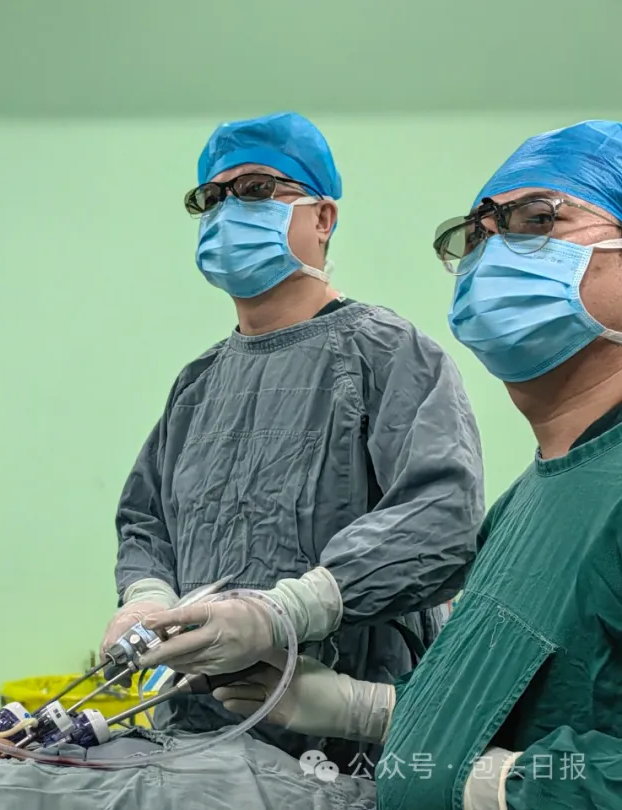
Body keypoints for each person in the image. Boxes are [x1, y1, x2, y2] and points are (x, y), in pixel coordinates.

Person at [212, 120, 622, 809]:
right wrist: (363, 708)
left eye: (537, 219)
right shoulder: (530, 501)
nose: (492, 255)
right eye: (477, 236)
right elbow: (502, 699)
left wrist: (499, 787)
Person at [102, 111, 485, 770]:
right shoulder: (198, 385)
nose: (227, 210)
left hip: (342, 747)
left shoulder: (387, 355)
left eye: (255, 189)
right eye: (211, 197)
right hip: (198, 740)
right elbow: (147, 519)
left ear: (323, 217)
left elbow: (440, 521)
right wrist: (147, 599)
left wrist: (286, 613)